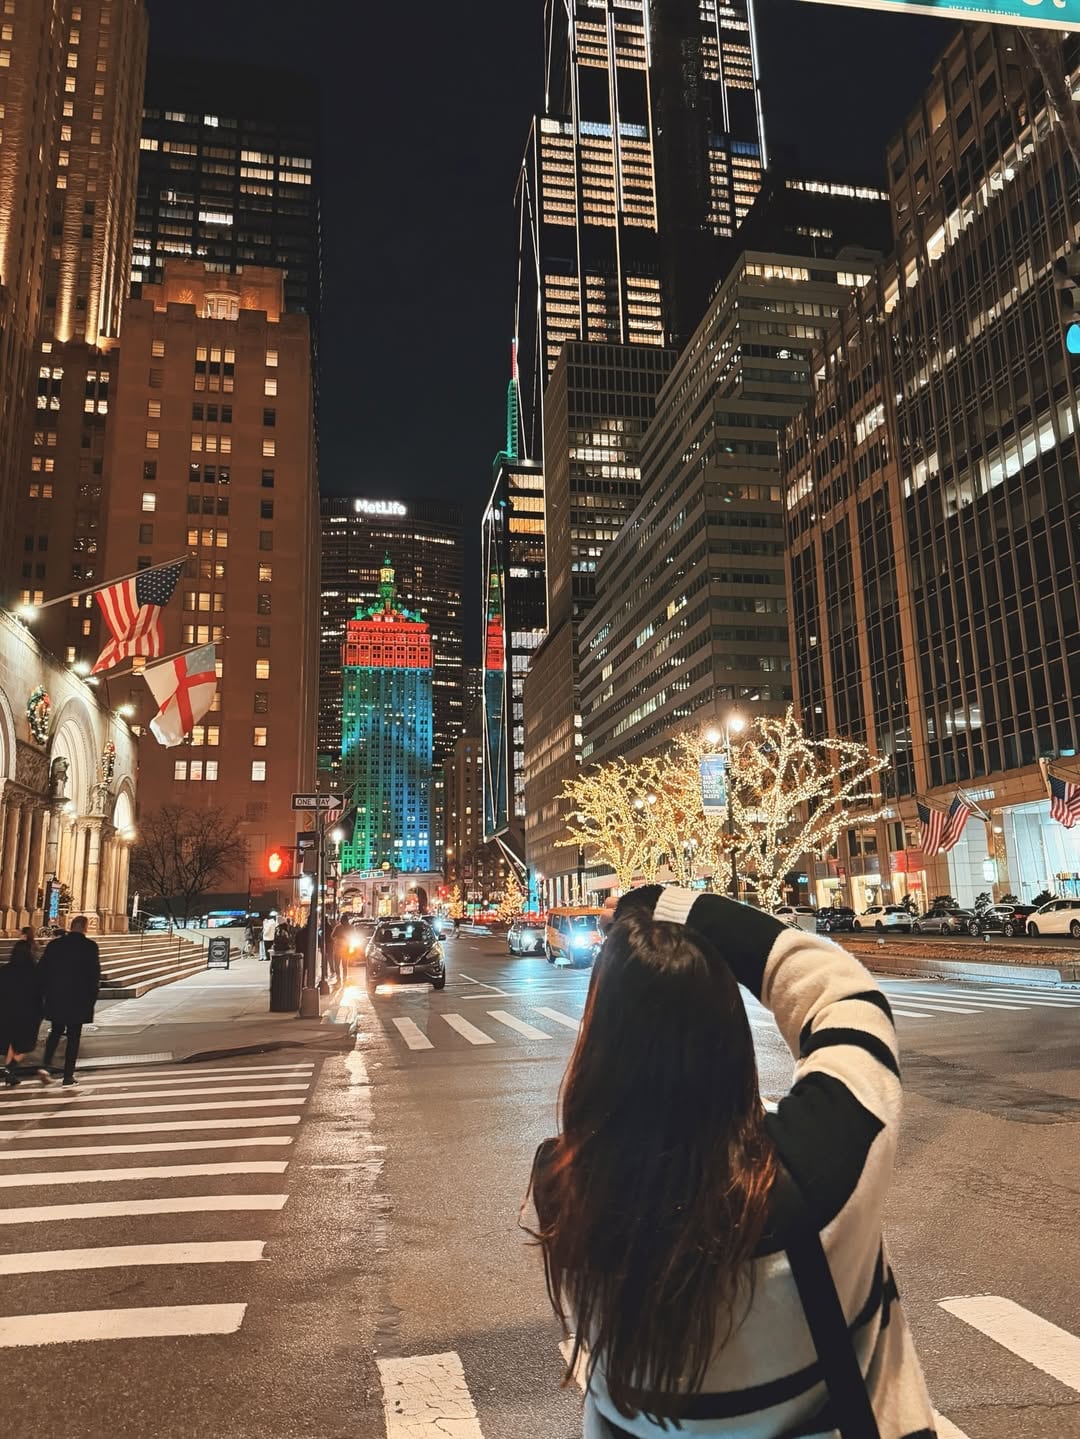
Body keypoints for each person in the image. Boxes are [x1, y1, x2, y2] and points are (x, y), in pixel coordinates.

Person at [529, 884, 934, 1439]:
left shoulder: (568, 1189)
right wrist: (666, 905)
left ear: (598, 1048)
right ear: (730, 1034)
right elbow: (842, 996)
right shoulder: (828, 1159)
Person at [40, 915, 101, 1087]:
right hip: (79, 998)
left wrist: (45, 993)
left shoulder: (55, 945)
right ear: (85, 927)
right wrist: (91, 999)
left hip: (57, 996)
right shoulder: (89, 947)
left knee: (55, 1032)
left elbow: (43, 970)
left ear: (71, 926)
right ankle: (68, 1075)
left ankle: (45, 1066)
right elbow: (94, 976)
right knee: (74, 1037)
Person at [0, 928, 47, 1086]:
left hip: (7, 1012)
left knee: (12, 1044)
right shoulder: (34, 971)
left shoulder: (5, 970)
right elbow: (39, 992)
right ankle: (10, 1067)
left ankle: (9, 1071)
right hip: (28, 1013)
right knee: (24, 1045)